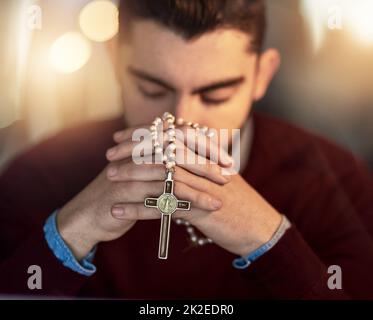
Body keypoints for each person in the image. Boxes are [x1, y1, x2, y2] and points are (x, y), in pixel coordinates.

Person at [1, 0, 373, 299]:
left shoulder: (338, 180)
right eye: (152, 89)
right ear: (114, 58)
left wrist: (269, 238)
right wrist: (71, 232)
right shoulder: (38, 173)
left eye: (215, 94)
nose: (179, 121)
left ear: (262, 74)